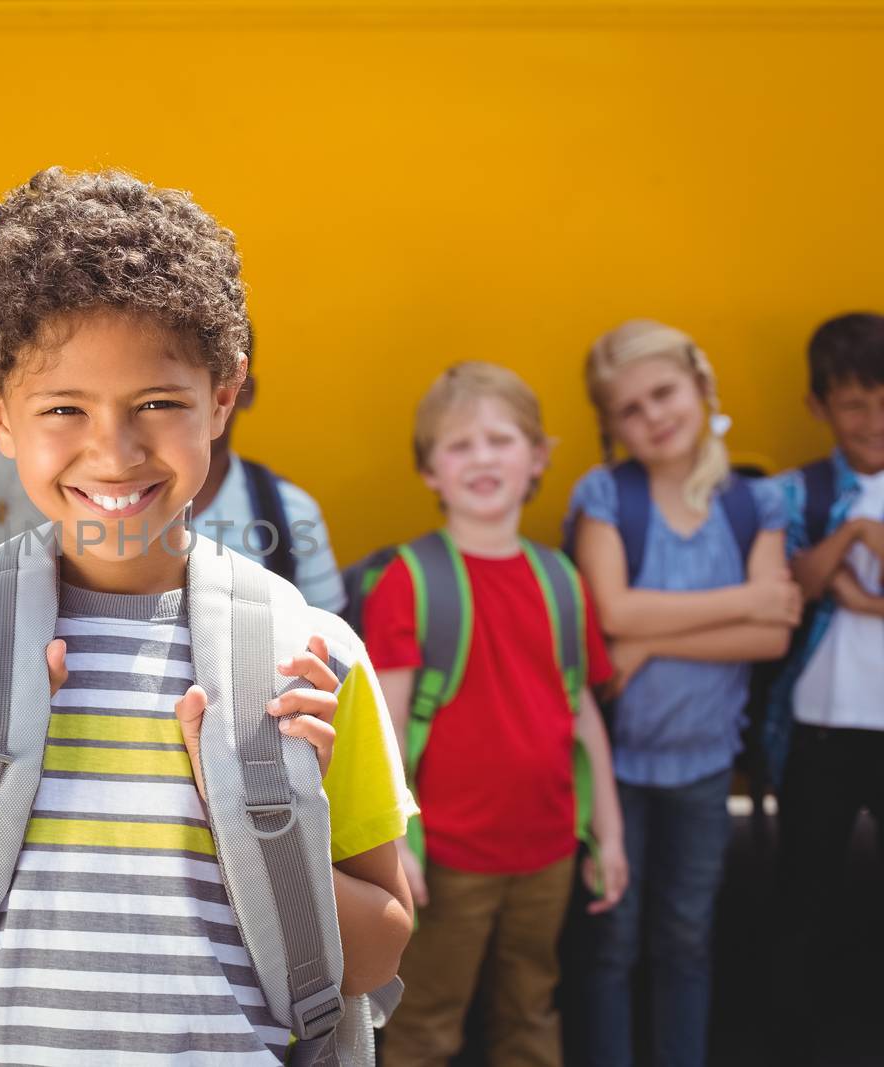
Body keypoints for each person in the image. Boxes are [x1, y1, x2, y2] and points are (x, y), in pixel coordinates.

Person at [0, 167, 415, 1064]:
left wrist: (263, 816)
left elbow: (376, 949)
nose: (114, 448)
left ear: (222, 398)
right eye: (64, 408)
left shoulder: (309, 657)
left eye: (158, 403)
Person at [368, 361, 626, 1067]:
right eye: (459, 445)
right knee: (425, 1023)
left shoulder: (561, 579)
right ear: (430, 470)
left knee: (532, 1013)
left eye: (501, 439)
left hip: (547, 851)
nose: (482, 457)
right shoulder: (409, 581)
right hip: (447, 859)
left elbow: (582, 716)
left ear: (538, 456)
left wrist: (609, 830)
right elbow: (385, 732)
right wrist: (394, 849)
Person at [566, 319, 797, 1067]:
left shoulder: (753, 501)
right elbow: (614, 612)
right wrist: (743, 601)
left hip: (703, 766)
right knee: (612, 939)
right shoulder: (606, 494)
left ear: (702, 388)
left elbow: (773, 636)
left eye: (664, 393)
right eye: (630, 409)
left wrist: (653, 637)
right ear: (612, 426)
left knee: (687, 937)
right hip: (617, 766)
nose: (653, 416)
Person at [766, 312, 884, 1057]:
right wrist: (850, 537)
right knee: (804, 888)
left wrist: (859, 593)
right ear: (818, 405)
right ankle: (798, 1035)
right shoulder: (796, 492)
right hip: (819, 720)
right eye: (854, 403)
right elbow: (797, 582)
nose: (873, 419)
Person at [188, 323, 348, 614]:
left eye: (218, 392)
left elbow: (331, 640)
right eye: (159, 403)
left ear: (242, 392)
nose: (199, 412)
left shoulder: (290, 514)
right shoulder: (102, 503)